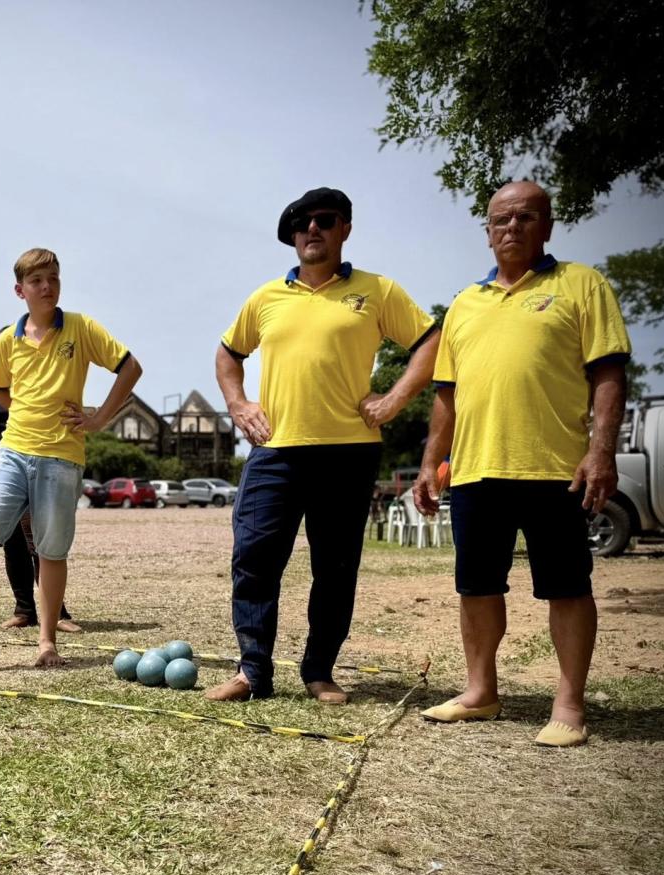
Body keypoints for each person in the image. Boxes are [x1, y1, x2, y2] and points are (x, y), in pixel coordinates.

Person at [414, 181, 631, 748]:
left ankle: (568, 702)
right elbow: (446, 393)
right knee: (477, 586)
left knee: (566, 586)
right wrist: (430, 463)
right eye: (501, 220)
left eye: (526, 218)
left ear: (548, 226)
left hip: (556, 468)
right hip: (477, 470)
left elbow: (608, 374)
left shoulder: (581, 285)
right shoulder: (463, 303)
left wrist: (600, 450)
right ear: (487, 231)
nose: (512, 228)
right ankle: (480, 691)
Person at [211, 187, 440, 703]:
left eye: (325, 219)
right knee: (254, 557)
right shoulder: (266, 297)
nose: (312, 229)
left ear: (345, 228)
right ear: (292, 237)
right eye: (301, 223)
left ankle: (319, 672)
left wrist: (394, 400)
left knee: (335, 566)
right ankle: (253, 672)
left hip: (348, 452)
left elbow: (431, 343)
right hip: (275, 451)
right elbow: (228, 356)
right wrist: (238, 405)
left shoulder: (377, 290)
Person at [0, 248, 142, 672]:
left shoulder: (81, 327)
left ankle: (46, 640)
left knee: (51, 550)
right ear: (20, 290)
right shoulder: (7, 342)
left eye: (54, 278)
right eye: (38, 281)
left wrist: (99, 417)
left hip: (62, 457)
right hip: (13, 451)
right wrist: (25, 406)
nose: (48, 287)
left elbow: (130, 368)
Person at [0, 366, 80, 633]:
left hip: (32, 469)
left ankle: (57, 614)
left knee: (40, 544)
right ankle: (24, 610)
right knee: (12, 547)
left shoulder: (39, 387)